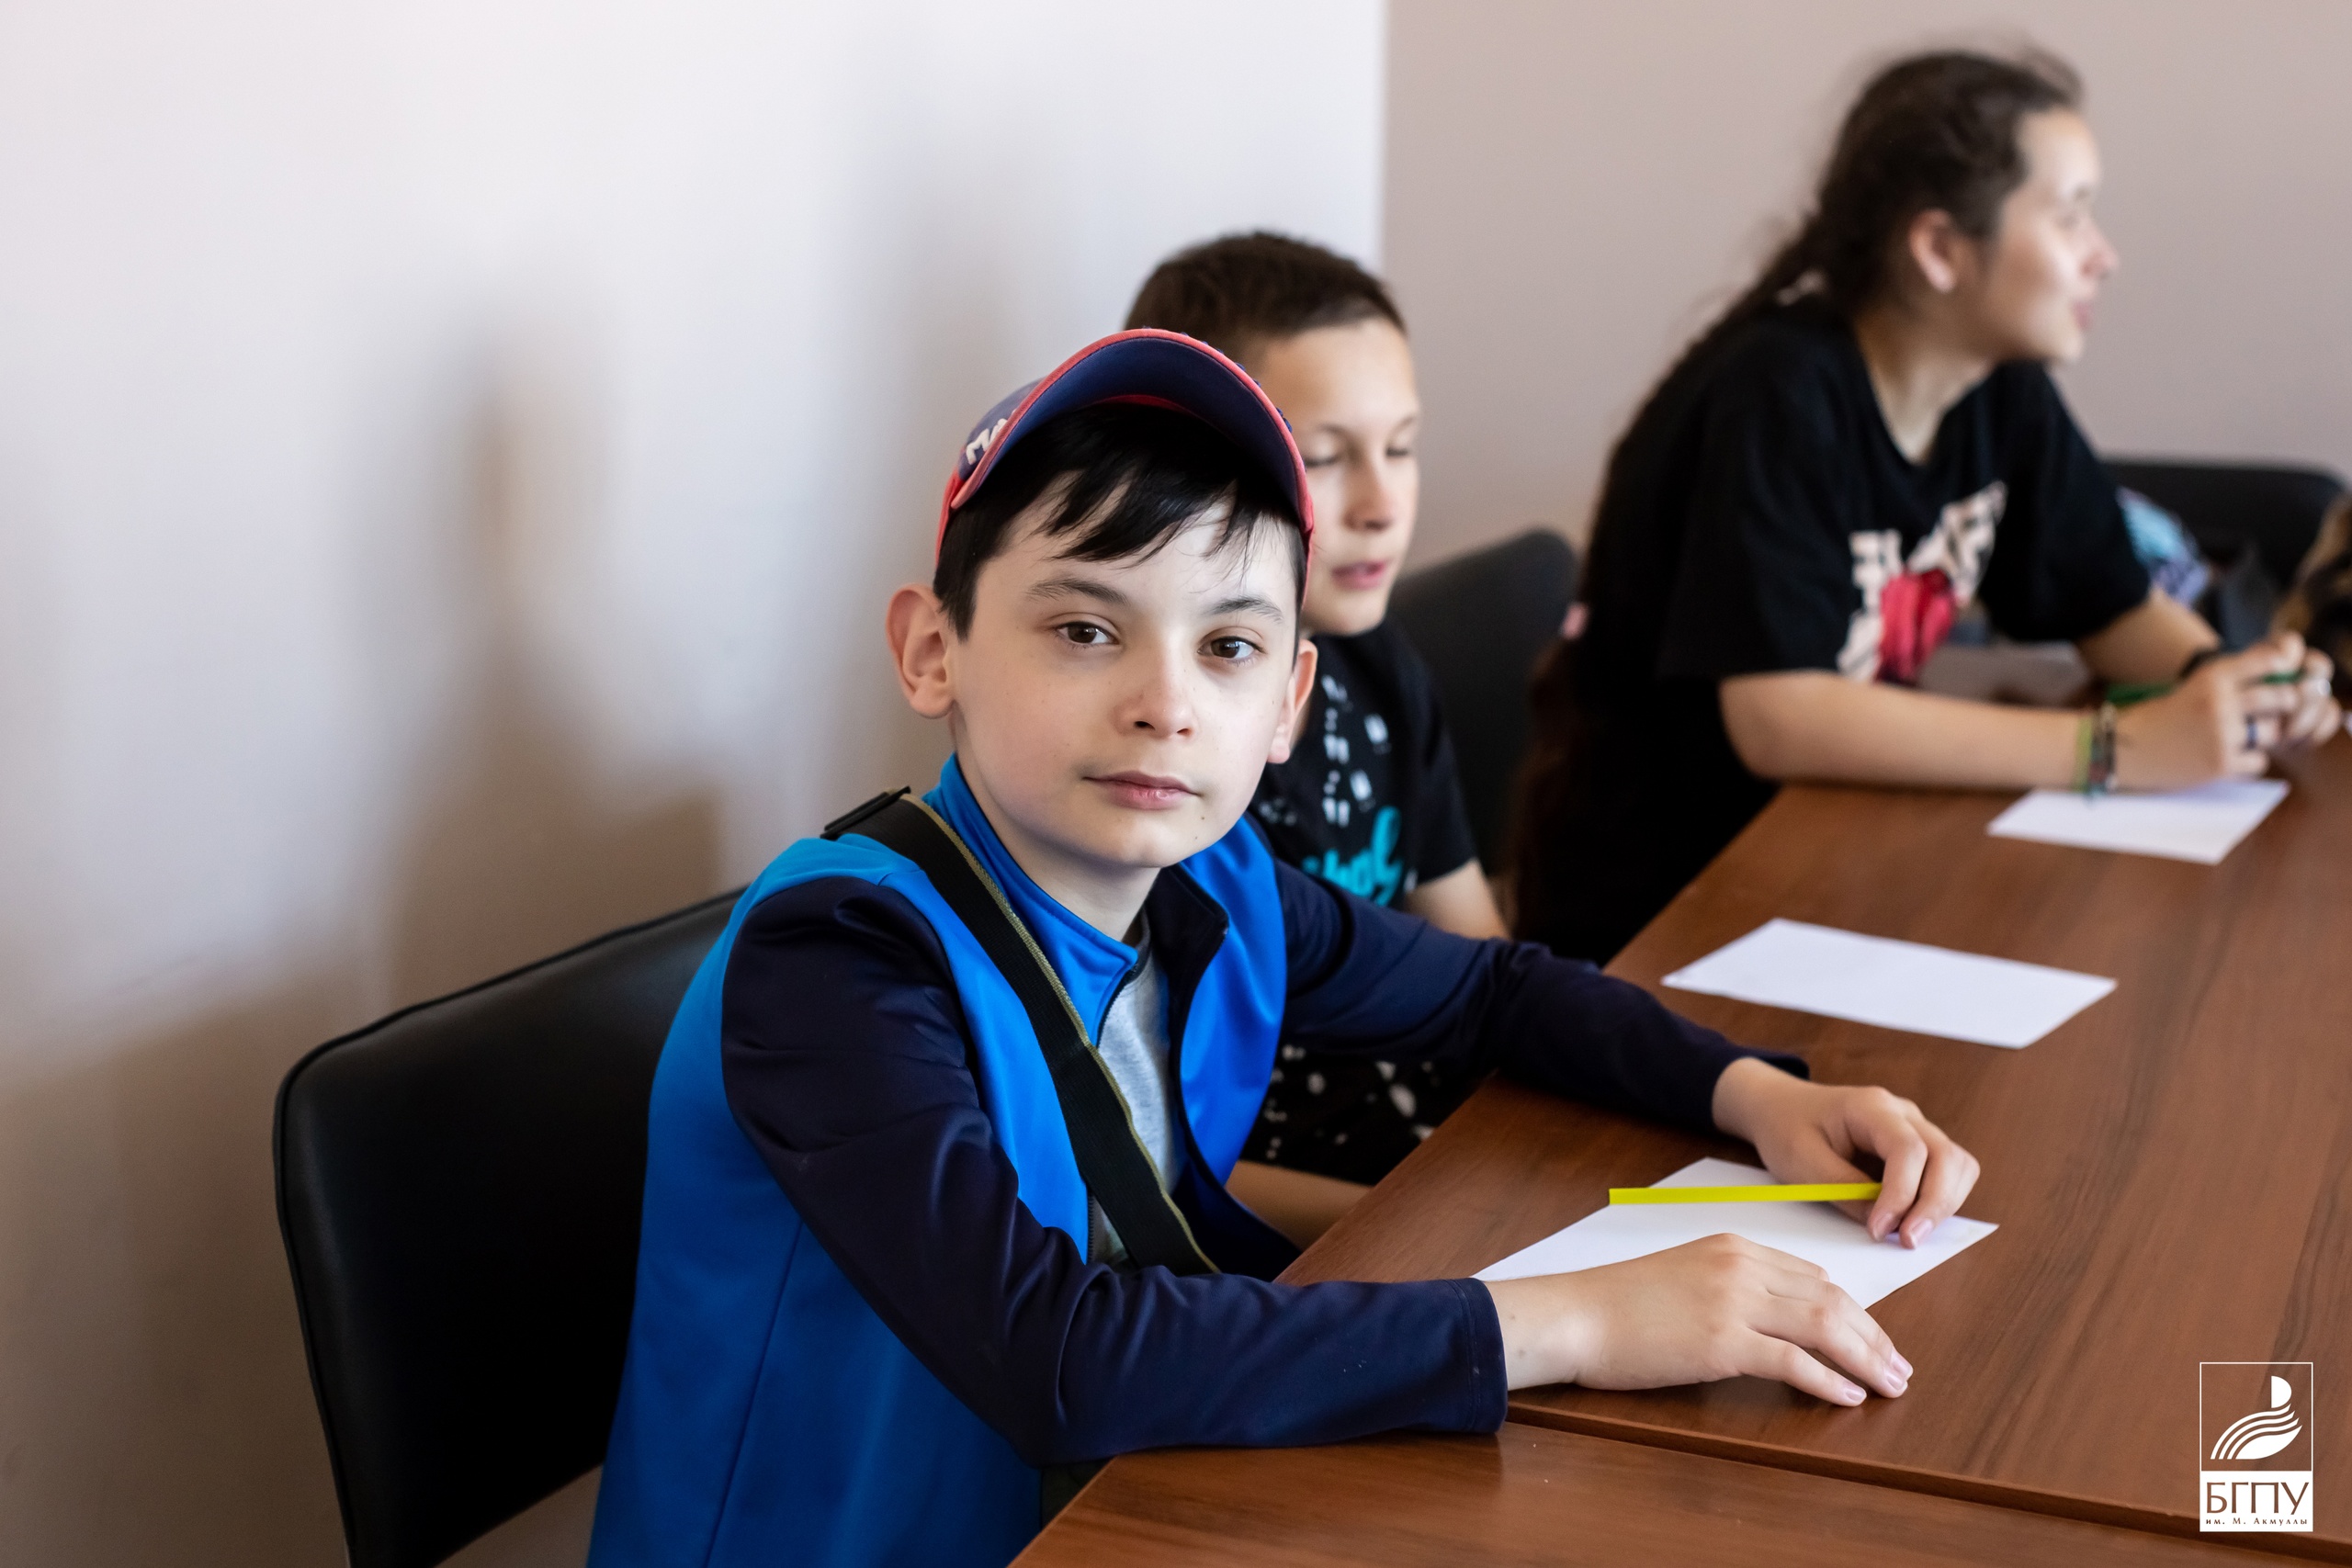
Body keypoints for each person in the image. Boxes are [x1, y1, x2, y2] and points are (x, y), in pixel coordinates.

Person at [587, 330, 1981, 1568]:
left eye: (1230, 647)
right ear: (931, 649)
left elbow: (1493, 991)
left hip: (1126, 1504)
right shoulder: (839, 954)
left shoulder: (1213, 885)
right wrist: (1576, 1322)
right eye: (1085, 628)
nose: (1165, 703)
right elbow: (1060, 1356)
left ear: (1289, 702)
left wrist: (1756, 1093)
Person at [1510, 49, 2343, 964]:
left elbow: (2108, 608)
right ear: (1940, 249)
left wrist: (2231, 685)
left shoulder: (1999, 388)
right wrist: (2115, 751)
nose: (2102, 255)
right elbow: (1779, 717)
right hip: (1666, 899)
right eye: (2069, 216)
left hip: (1829, 851)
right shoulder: (1780, 394)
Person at [1127, 234, 1502, 1235]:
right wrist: (1425, 1228)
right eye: (1326, 458)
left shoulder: (1379, 663)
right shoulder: (1158, 737)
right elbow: (1159, 1167)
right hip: (1306, 1230)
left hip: (1441, 1161)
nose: (1382, 506)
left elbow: (1478, 958)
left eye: (1402, 447)